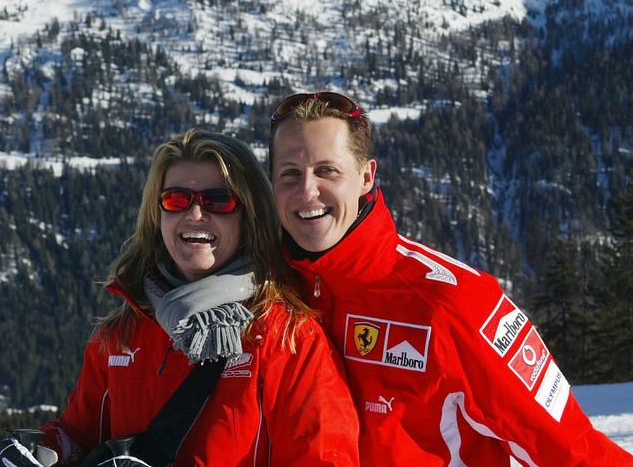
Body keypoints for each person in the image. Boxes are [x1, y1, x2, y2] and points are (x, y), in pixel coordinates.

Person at [269, 91, 633, 466]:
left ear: (365, 176)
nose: (307, 191)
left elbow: (573, 450)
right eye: (290, 173)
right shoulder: (265, 291)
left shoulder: (454, 301)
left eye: (327, 171)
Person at [0, 129, 360, 467]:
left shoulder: (287, 337)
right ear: (157, 213)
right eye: (177, 199)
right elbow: (79, 436)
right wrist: (40, 450)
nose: (195, 214)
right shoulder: (122, 334)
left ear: (250, 217)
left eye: (219, 201)